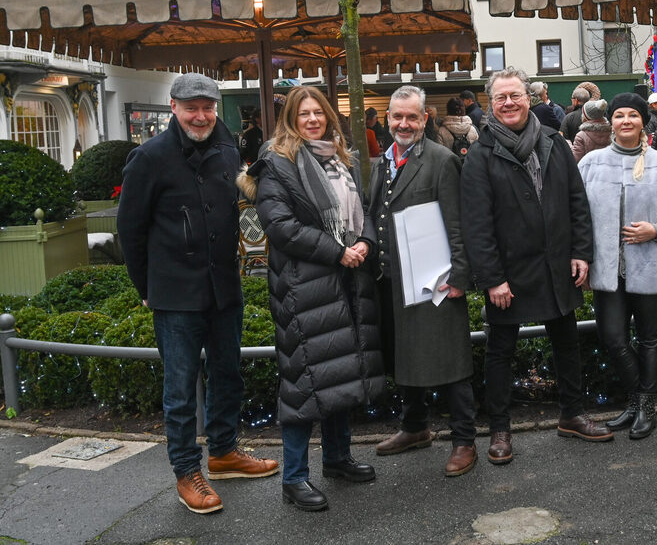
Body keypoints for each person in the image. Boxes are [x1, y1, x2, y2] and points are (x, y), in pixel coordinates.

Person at [117, 74, 278, 516]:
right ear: (173, 107)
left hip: (222, 285)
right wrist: (145, 288)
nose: (201, 116)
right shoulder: (147, 158)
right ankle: (186, 470)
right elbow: (129, 231)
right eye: (192, 108)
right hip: (174, 293)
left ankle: (224, 453)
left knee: (229, 374)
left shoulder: (227, 149)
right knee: (180, 388)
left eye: (208, 107)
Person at [239, 86, 382, 511]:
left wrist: (365, 245)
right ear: (291, 120)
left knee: (340, 369)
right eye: (304, 114)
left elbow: (366, 212)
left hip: (348, 280)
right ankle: (294, 477)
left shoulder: (342, 159)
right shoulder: (276, 165)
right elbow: (280, 228)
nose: (313, 120)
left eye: (319, 112)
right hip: (304, 286)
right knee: (303, 382)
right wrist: (339, 250)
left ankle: (337, 458)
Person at [461, 66, 612, 465]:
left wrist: (582, 252)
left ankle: (572, 414)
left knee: (567, 342)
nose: (508, 103)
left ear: (529, 98)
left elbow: (576, 201)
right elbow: (476, 224)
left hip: (558, 262)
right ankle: (500, 430)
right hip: (508, 274)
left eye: (515, 95)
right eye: (500, 98)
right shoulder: (480, 155)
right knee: (500, 351)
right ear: (491, 104)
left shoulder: (554, 142)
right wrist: (492, 278)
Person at [369, 86, 478, 477]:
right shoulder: (381, 161)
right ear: (387, 118)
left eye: (411, 117)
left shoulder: (441, 160)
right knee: (405, 355)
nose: (403, 124)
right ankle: (415, 427)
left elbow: (457, 222)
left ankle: (464, 440)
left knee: (450, 359)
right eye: (397, 117)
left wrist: (462, 276)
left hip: (436, 281)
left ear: (424, 118)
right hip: (393, 280)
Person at [578, 92, 657, 439]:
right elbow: (576, 214)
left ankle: (645, 406)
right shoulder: (590, 163)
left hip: (652, 267)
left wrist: (656, 229)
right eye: (619, 115)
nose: (626, 121)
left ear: (643, 120)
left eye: (633, 114)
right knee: (613, 337)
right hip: (607, 270)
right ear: (609, 121)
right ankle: (638, 399)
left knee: (650, 338)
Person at [436, 96, 479, 163]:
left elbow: (439, 154)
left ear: (448, 110)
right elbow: (478, 151)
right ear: (464, 109)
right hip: (470, 167)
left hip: (451, 168)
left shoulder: (441, 131)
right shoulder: (472, 129)